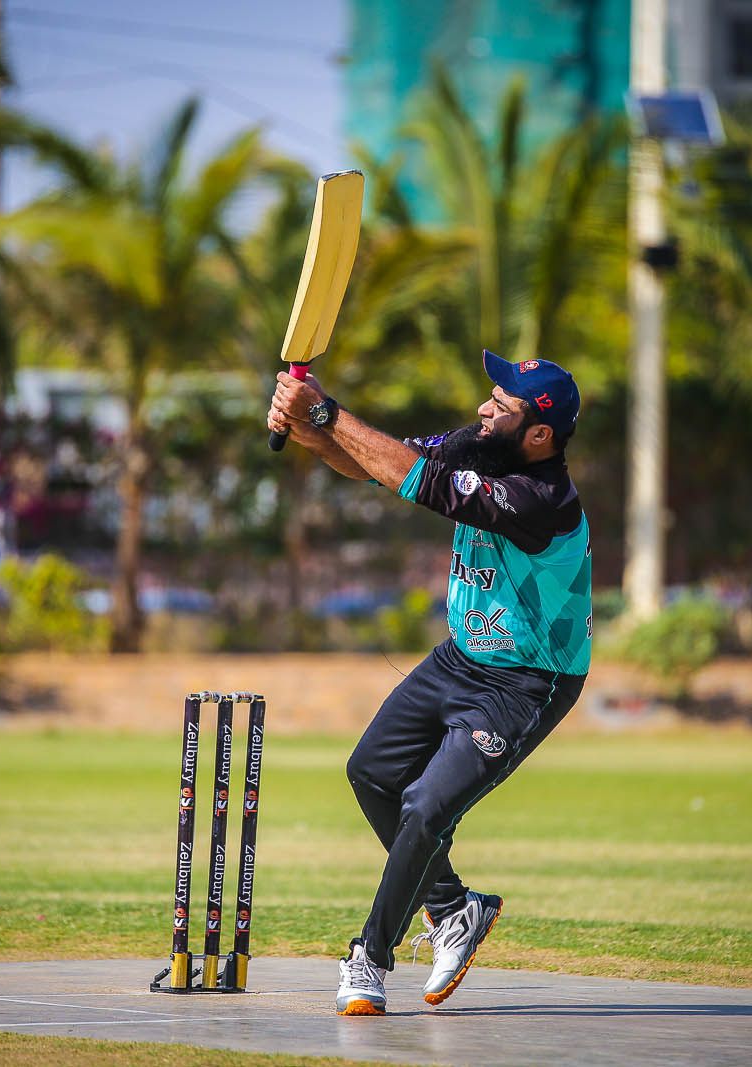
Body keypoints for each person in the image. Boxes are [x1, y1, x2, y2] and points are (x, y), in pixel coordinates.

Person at [268, 350, 591, 1016]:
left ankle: (369, 957)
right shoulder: (482, 445)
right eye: (491, 395)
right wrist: (305, 425)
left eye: (502, 406)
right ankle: (453, 908)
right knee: (370, 773)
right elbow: (373, 464)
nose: (484, 409)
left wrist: (326, 410)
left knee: (425, 807)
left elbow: (420, 482)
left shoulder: (543, 500)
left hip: (526, 681)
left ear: (539, 435)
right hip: (461, 656)